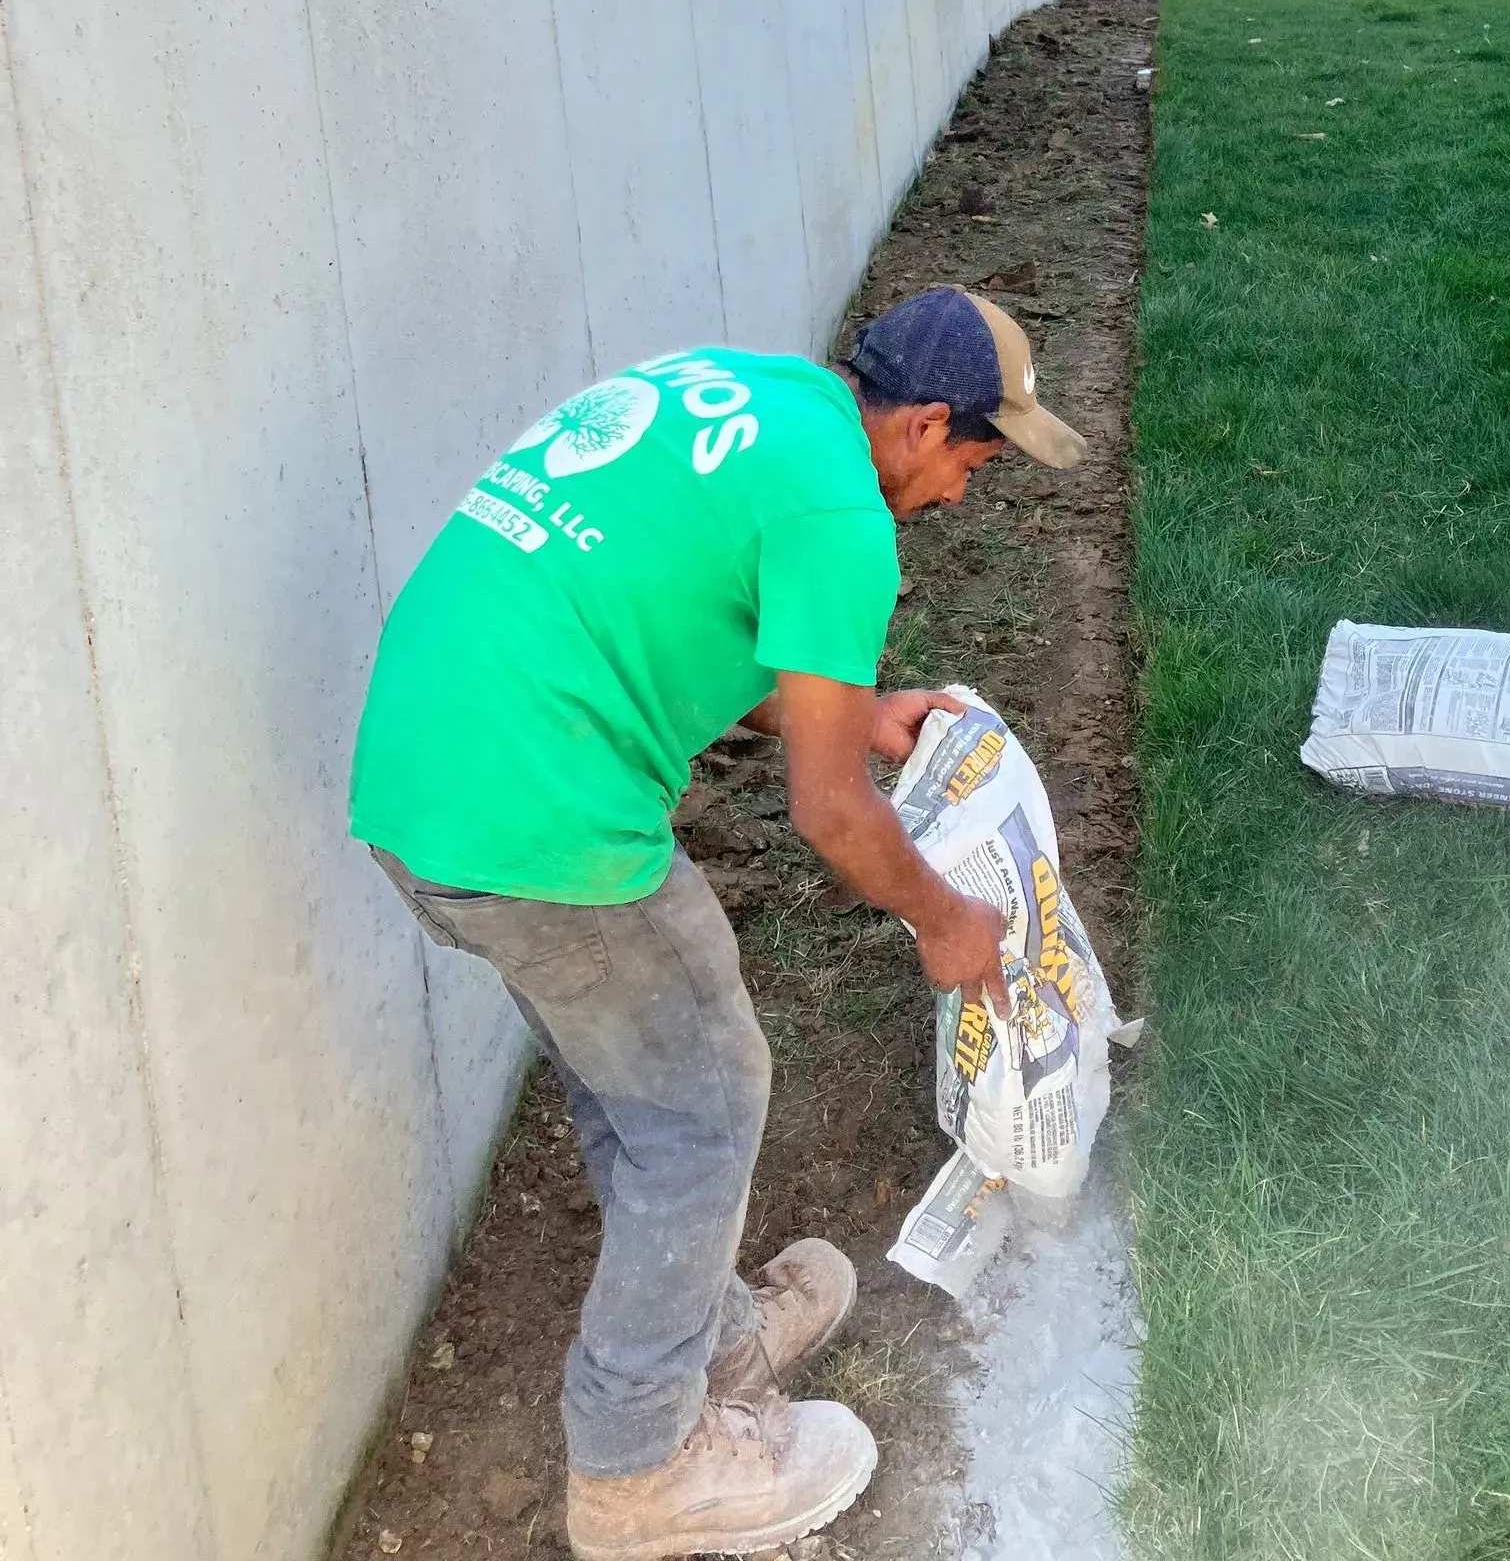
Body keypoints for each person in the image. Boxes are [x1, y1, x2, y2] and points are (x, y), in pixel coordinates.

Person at [348, 285, 1086, 1561]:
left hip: (428, 776)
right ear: (918, 423)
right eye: (973, 456)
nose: (966, 490)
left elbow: (682, 613)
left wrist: (858, 707)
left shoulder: (757, 396)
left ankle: (701, 1338)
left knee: (632, 1074)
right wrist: (946, 920)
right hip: (533, 811)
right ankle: (640, 1463)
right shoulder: (843, 516)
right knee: (701, 1100)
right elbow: (830, 814)